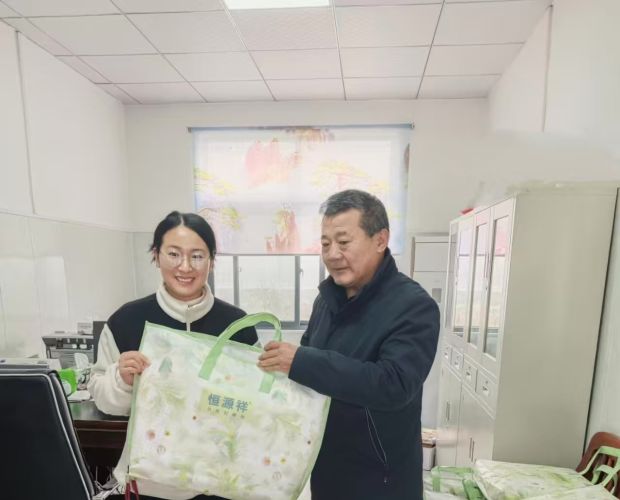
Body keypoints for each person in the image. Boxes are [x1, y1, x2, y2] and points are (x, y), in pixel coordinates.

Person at [258, 189, 440, 500]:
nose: (332, 254)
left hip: (381, 481)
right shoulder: (326, 300)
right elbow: (308, 364)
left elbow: (393, 384)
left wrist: (301, 362)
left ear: (380, 240)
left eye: (343, 242)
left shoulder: (413, 306)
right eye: (325, 244)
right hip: (328, 470)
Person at [89, 211, 257, 500]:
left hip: (220, 483)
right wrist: (122, 380)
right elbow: (104, 399)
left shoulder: (238, 326)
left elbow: (255, 405)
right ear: (156, 256)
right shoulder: (126, 321)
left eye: (197, 256)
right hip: (151, 483)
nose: (185, 266)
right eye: (174, 254)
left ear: (212, 261)